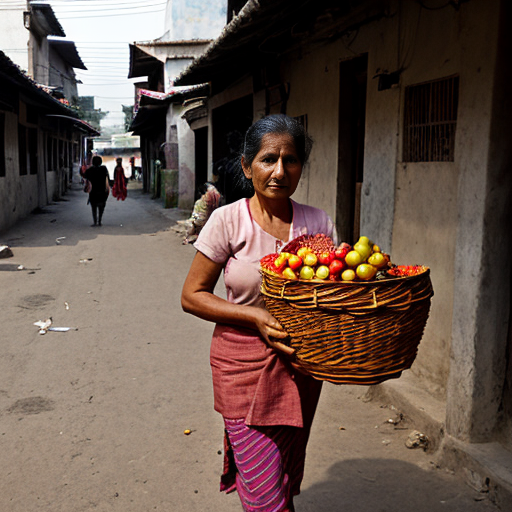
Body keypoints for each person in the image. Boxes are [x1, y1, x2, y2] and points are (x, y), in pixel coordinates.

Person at [181, 114, 337, 512]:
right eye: (268, 159)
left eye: (291, 160)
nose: (280, 171)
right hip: (241, 368)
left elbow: (336, 297)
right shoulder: (227, 220)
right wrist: (255, 318)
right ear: (247, 166)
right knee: (266, 498)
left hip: (300, 369)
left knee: (281, 474)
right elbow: (193, 295)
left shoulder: (317, 223)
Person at [83, 155, 110, 227]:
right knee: (101, 207)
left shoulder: (90, 170)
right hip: (102, 191)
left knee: (94, 207)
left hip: (93, 192)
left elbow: (84, 176)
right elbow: (108, 179)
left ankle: (95, 222)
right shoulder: (104, 169)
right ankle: (99, 221)